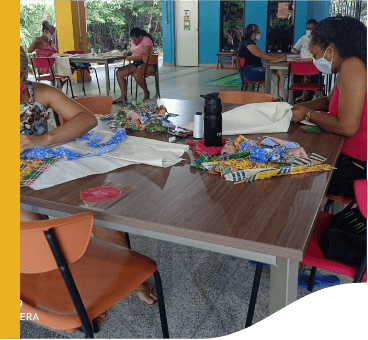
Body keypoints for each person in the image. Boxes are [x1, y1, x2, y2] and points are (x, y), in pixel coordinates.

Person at [20, 47, 158, 314]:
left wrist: (43, 139)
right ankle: (67, 286)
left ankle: (126, 275)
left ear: (24, 72)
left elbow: (86, 118)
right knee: (31, 222)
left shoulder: (39, 93)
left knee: (93, 205)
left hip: (46, 169)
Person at [291, 16, 367, 199]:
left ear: (330, 50)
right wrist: (294, 107)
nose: (316, 61)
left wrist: (308, 115)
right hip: (349, 157)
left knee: (289, 174)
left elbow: (347, 127)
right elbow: (327, 101)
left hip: (356, 167)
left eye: (316, 56)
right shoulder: (349, 65)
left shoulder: (352, 65)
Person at [237, 24, 287, 99]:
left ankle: (278, 95)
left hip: (250, 70)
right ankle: (274, 98)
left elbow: (262, 54)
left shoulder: (247, 42)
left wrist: (278, 56)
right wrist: (278, 59)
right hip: (250, 72)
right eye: (258, 32)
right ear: (254, 33)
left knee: (278, 71)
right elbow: (261, 55)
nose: (259, 34)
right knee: (273, 74)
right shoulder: (248, 43)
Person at [113, 27, 156, 104]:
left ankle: (146, 92)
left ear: (140, 36)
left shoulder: (146, 40)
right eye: (133, 40)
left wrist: (132, 57)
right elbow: (131, 50)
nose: (134, 41)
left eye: (136, 39)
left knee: (137, 74)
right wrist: (127, 53)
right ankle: (123, 96)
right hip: (137, 63)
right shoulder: (133, 41)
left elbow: (145, 56)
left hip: (148, 64)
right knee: (119, 73)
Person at [291, 19, 319, 102]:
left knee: (315, 76)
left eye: (311, 28)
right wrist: (301, 51)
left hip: (314, 64)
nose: (309, 30)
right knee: (297, 75)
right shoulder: (303, 38)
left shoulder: (320, 39)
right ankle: (297, 97)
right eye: (307, 28)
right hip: (302, 64)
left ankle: (310, 97)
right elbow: (293, 49)